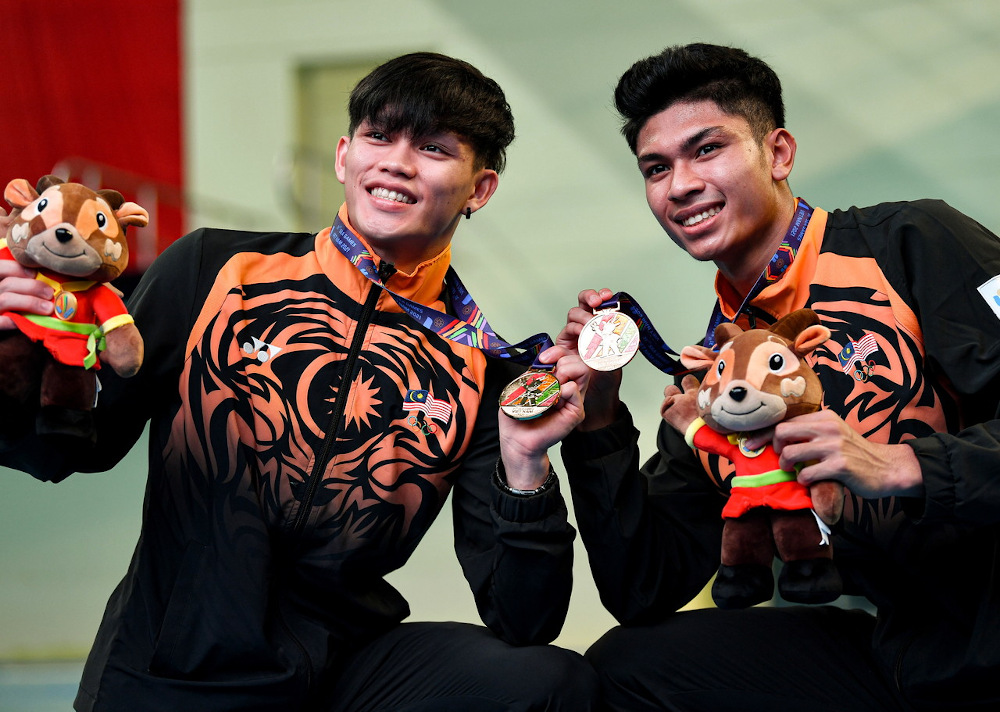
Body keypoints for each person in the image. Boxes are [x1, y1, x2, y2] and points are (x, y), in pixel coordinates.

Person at [0, 52, 598, 712]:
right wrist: (15, 346)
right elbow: (65, 450)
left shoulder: (479, 369)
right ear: (344, 156)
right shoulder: (213, 269)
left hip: (342, 671)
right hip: (172, 666)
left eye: (432, 147)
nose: (397, 162)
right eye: (379, 135)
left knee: (549, 682)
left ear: (479, 188)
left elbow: (526, 620)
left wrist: (526, 467)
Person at [552, 43, 1000, 711]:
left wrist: (905, 464)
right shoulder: (719, 374)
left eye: (707, 149)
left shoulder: (915, 240)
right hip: (909, 655)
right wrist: (597, 416)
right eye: (656, 168)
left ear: (779, 153)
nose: (679, 185)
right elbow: (642, 586)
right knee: (626, 667)